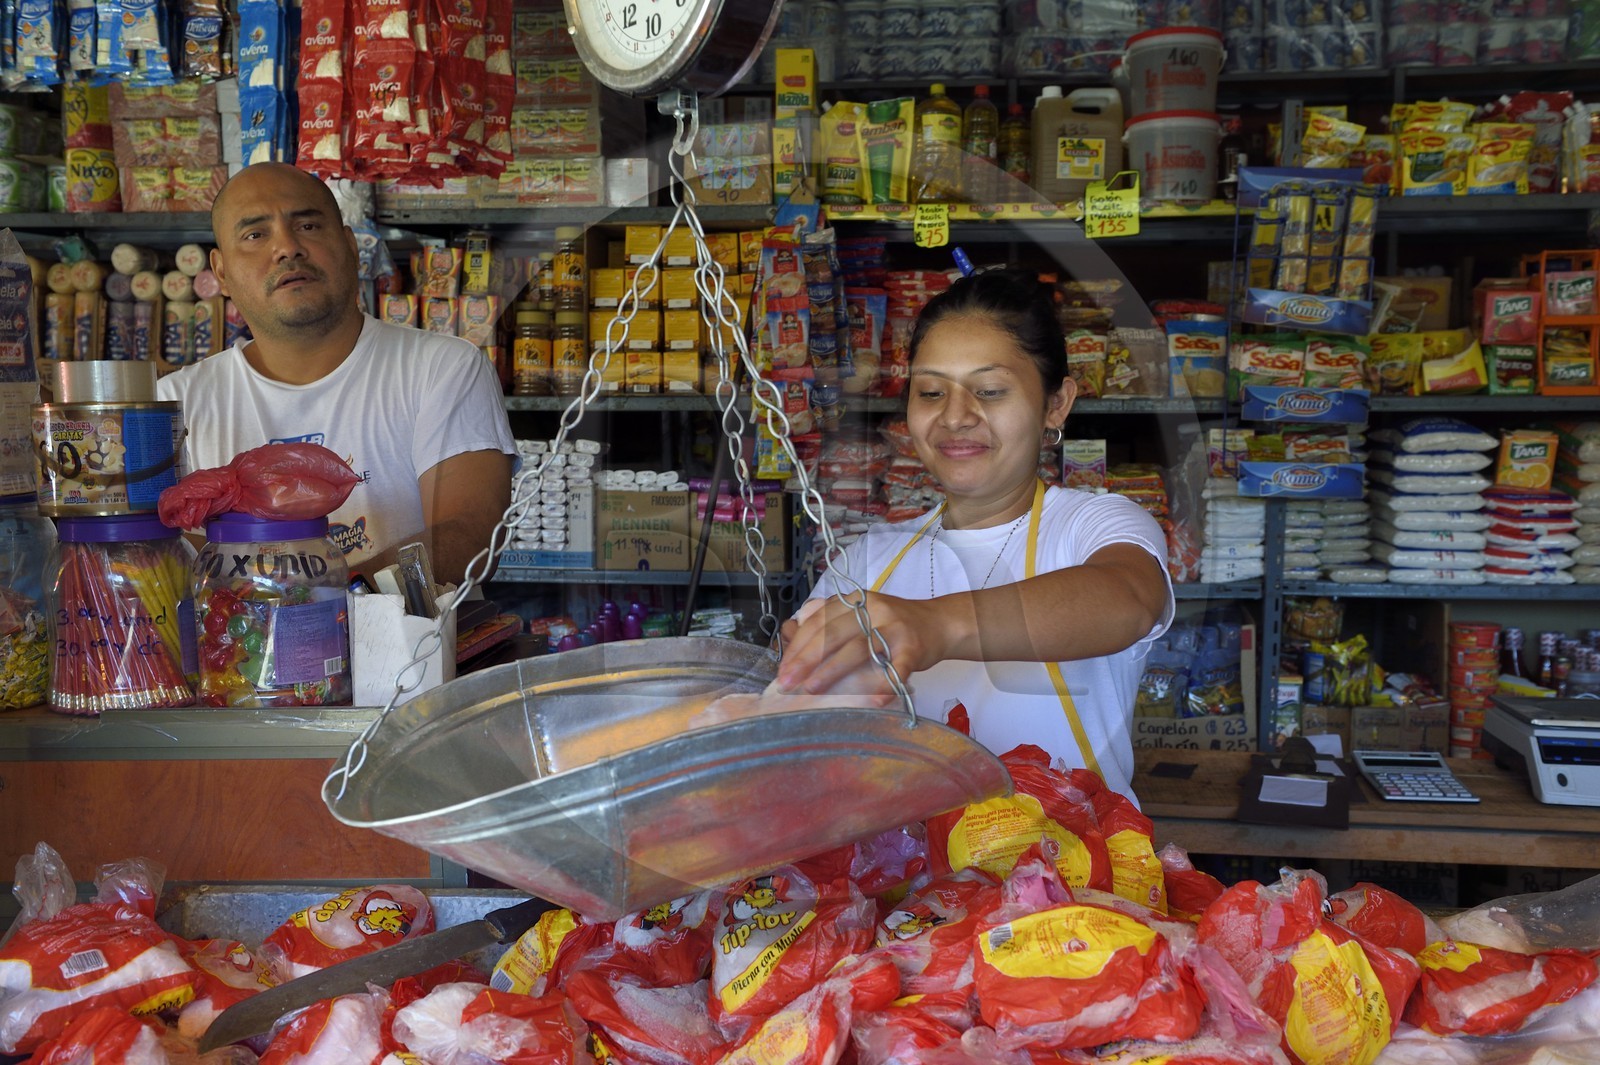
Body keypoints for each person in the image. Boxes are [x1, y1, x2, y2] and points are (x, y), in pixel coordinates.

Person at [776, 268, 1174, 801]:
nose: (956, 416)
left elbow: (1127, 600)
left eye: (989, 391)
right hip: (906, 854)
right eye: (931, 392)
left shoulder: (1091, 527)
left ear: (1055, 404)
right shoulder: (868, 561)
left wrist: (932, 625)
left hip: (1072, 854)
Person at [157, 163, 516, 586]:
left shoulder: (442, 367)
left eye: (308, 225)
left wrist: (316, 604)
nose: (287, 247)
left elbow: (469, 535)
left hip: (410, 636)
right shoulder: (171, 404)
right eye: (255, 235)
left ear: (349, 245)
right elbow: (158, 560)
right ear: (221, 273)